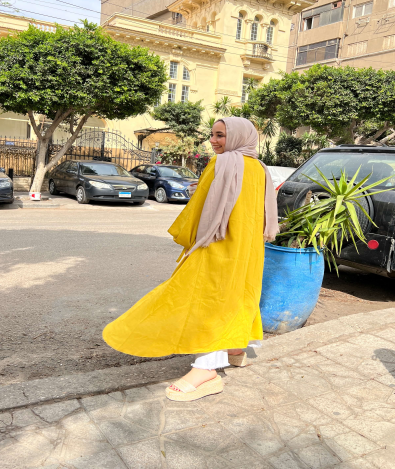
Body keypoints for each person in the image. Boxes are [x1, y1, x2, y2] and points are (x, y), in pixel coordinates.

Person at [102, 117, 278, 402]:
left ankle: (207, 369)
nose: (214, 141)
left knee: (204, 303)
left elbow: (199, 210)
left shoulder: (221, 164)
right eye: (213, 135)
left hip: (217, 247)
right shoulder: (259, 168)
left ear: (236, 137)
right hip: (248, 249)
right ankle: (235, 349)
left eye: (220, 135)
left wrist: (189, 233)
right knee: (238, 295)